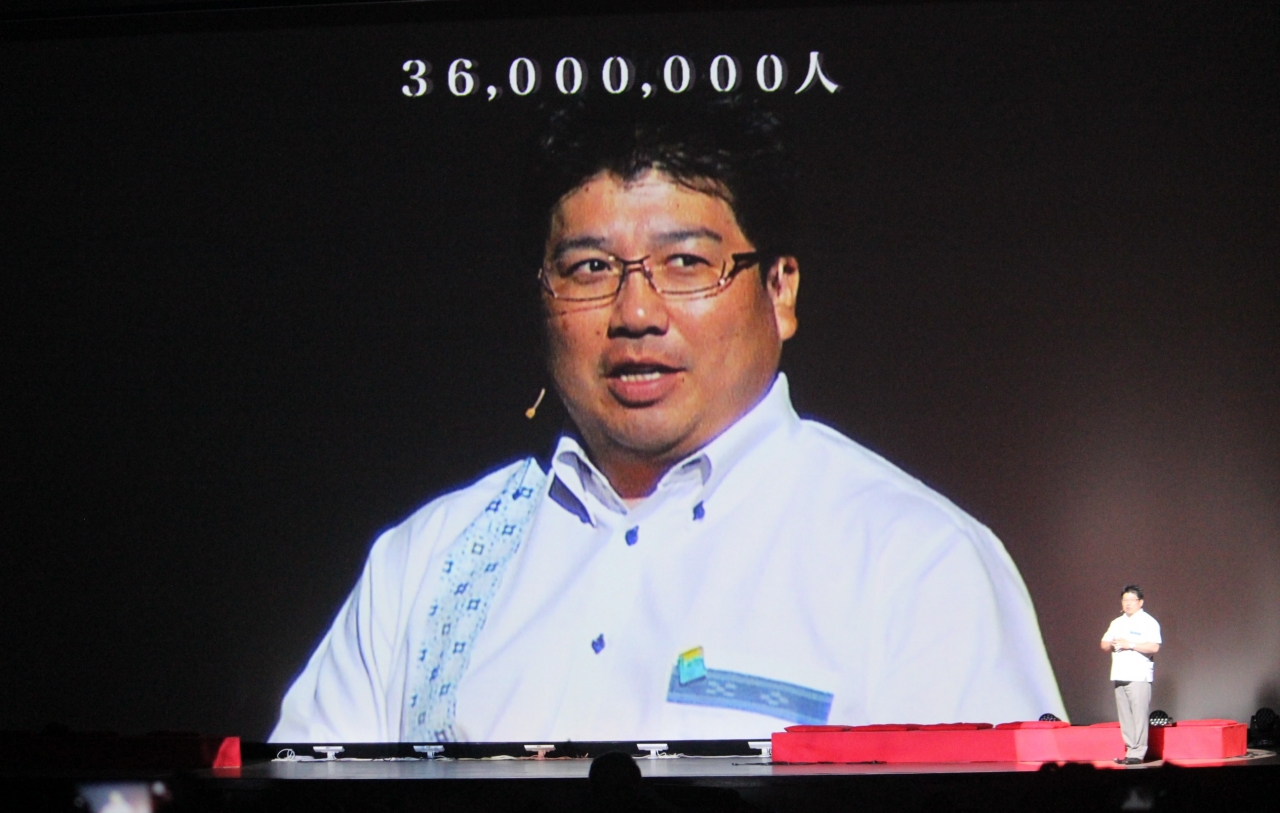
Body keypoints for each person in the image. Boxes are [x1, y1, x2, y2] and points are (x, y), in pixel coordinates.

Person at [270, 98, 1065, 743]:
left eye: (686, 263)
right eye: (590, 268)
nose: (637, 312)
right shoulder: (428, 562)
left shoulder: (913, 562)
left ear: (781, 289)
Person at [1100, 584, 1162, 764]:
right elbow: (1103, 644)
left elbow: (1154, 647)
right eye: (1124, 600)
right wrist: (1111, 643)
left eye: (1131, 600)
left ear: (1140, 602)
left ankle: (1138, 753)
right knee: (1125, 716)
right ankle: (1130, 751)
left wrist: (1131, 644)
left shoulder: (1148, 621)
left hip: (1138, 675)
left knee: (1139, 714)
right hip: (1119, 673)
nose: (1127, 603)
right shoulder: (1116, 622)